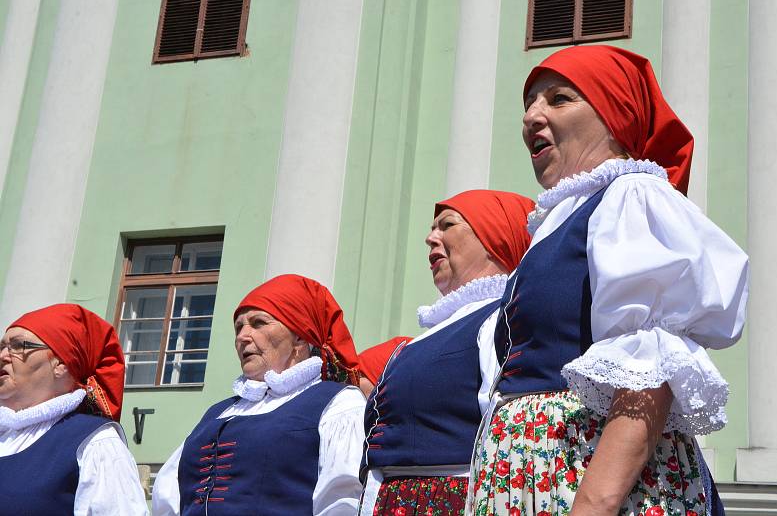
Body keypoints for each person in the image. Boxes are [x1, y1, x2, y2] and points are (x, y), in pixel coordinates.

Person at [471, 45, 748, 516]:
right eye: (529, 105)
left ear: (615, 117)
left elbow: (649, 367)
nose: (532, 117)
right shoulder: (559, 223)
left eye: (559, 99)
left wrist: (595, 503)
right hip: (533, 482)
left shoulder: (629, 196)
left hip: (588, 484)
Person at [360, 189, 535, 516]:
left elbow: (510, 433)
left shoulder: (502, 319)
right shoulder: (422, 340)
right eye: (432, 228)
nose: (430, 238)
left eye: (447, 224)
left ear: (492, 238)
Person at [151, 274, 366, 515]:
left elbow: (345, 500)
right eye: (239, 327)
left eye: (258, 323)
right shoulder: (218, 412)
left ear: (299, 336)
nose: (242, 336)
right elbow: (167, 497)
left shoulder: (338, 403)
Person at [0, 303, 148, 515]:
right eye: (2, 347)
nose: (3, 355)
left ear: (60, 363)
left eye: (18, 346)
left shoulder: (96, 442)